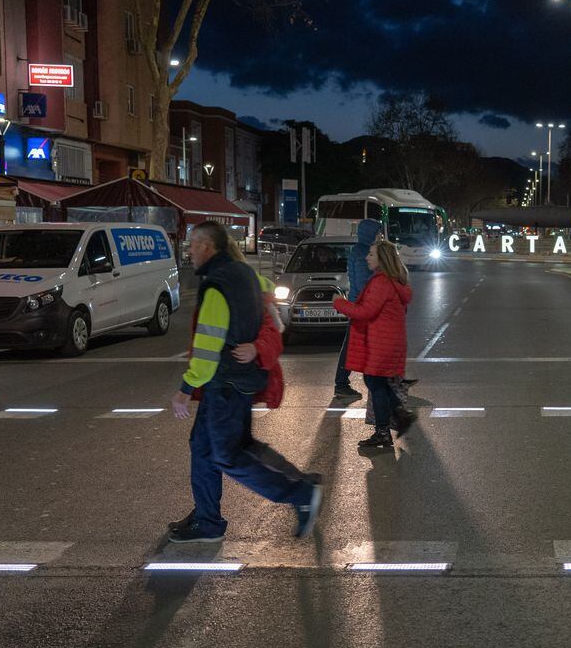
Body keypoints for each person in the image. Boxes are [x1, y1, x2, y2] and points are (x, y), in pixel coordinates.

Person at [169, 221, 322, 542]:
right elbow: (264, 290)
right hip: (237, 383)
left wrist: (184, 389)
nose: (190, 251)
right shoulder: (244, 274)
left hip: (224, 384)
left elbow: (208, 346)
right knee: (204, 447)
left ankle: (300, 493)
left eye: (194, 245)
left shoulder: (217, 285)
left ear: (208, 247)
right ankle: (207, 519)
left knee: (228, 455)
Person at [332, 240, 416, 449]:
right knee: (378, 382)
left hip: (382, 342)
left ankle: (384, 430)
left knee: (375, 382)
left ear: (382, 259)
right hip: (388, 341)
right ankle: (397, 416)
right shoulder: (392, 281)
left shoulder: (381, 282)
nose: (366, 257)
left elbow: (365, 312)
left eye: (371, 254)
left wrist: (339, 303)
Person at [334, 218, 382, 399]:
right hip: (362, 308)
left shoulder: (359, 250)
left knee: (356, 346)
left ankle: (343, 383)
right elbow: (363, 283)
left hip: (359, 305)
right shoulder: (363, 253)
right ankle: (342, 383)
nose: (380, 235)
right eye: (377, 232)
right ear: (370, 233)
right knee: (354, 347)